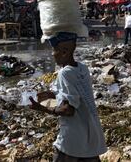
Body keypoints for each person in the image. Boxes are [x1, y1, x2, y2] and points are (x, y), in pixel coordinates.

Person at [28, 32, 106, 161]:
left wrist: (43, 109)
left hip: (72, 139)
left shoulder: (64, 73)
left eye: (54, 50)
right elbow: (78, 94)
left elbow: (68, 110)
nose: (52, 54)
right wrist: (54, 95)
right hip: (91, 135)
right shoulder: (82, 68)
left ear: (64, 52)